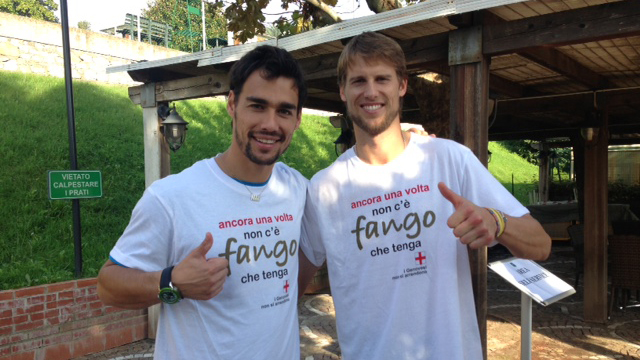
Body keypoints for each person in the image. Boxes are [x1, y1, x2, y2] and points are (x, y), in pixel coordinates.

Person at [298, 31, 551, 360]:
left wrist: (497, 221)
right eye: (358, 80)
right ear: (343, 91)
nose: (371, 91)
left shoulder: (449, 159)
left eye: (382, 79)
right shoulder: (324, 188)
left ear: (401, 86)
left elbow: (541, 244)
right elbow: (290, 285)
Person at [97, 45, 308, 360]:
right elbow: (108, 285)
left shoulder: (299, 189)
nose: (270, 124)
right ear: (232, 104)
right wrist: (172, 281)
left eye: (284, 111)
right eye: (257, 106)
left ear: (298, 119)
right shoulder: (171, 197)